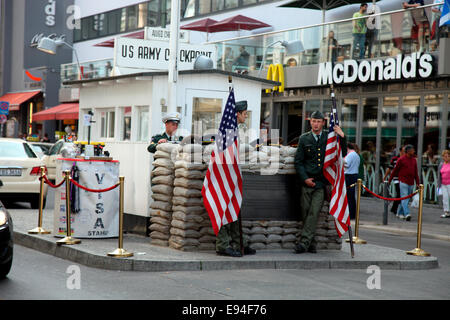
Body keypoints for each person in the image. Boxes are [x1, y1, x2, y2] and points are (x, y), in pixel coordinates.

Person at [294, 110, 347, 254]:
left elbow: (341, 153)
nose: (315, 124)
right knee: (305, 213)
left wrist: (342, 136)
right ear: (310, 122)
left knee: (314, 212)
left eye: (318, 121)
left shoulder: (329, 138)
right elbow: (298, 161)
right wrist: (305, 178)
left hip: (320, 183)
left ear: (323, 123)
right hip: (307, 182)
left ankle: (303, 244)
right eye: (313, 121)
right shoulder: (304, 139)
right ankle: (311, 242)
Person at [215, 100, 256, 257]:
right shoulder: (228, 130)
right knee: (225, 210)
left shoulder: (235, 129)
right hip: (224, 176)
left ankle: (240, 243)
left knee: (234, 210)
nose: (246, 116)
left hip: (231, 176)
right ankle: (223, 245)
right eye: (244, 114)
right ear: (237, 114)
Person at [388, 145, 420, 221]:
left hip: (411, 182)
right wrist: (389, 180)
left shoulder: (414, 160)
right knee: (404, 197)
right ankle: (407, 213)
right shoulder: (401, 159)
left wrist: (418, 183)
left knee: (407, 199)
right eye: (412, 150)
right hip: (403, 181)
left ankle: (399, 212)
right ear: (408, 151)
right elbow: (395, 171)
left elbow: (415, 172)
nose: (414, 151)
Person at [384, 146, 405, 215]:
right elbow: (390, 168)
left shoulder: (406, 159)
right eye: (403, 151)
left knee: (401, 194)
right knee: (399, 193)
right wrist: (385, 177)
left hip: (404, 179)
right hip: (396, 178)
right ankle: (395, 208)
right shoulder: (395, 159)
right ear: (400, 151)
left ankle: (396, 208)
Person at [344, 143, 360, 220]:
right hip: (354, 175)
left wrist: (341, 161)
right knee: (351, 196)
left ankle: (350, 213)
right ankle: (352, 213)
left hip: (349, 175)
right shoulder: (356, 155)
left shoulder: (350, 155)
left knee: (349, 196)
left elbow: (346, 164)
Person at [438, 150, 450, 218]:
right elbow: (439, 175)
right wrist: (438, 184)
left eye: (448, 156)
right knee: (445, 198)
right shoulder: (441, 164)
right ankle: (446, 212)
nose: (447, 157)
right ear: (443, 157)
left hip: (449, 183)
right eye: (445, 156)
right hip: (443, 184)